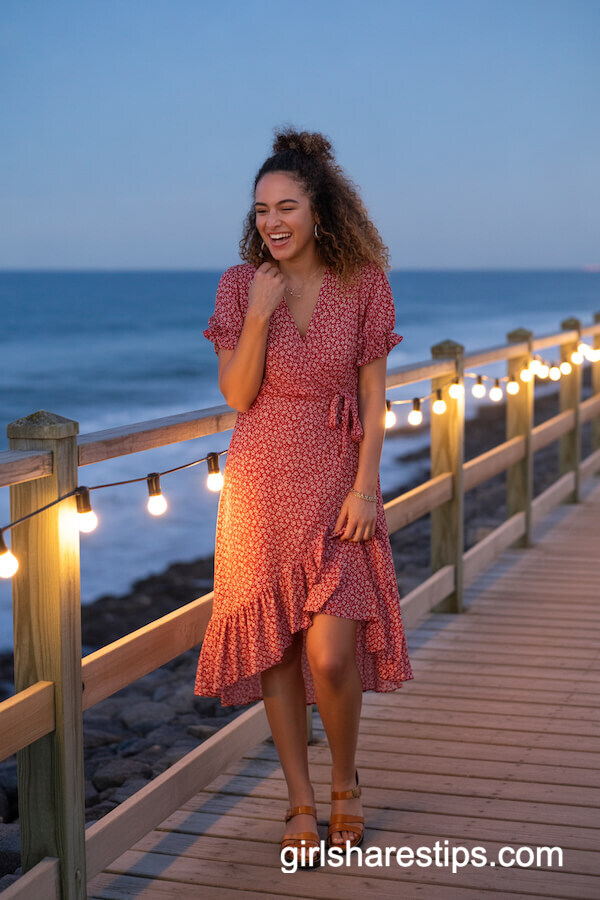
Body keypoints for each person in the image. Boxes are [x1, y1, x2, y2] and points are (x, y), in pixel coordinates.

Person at [195, 127, 413, 867]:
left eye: (287, 206)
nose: (272, 222)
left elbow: (376, 398)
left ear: (321, 211)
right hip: (260, 484)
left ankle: (346, 780)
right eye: (261, 210)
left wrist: (365, 488)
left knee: (328, 654)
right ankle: (299, 800)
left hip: (336, 481)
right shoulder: (238, 284)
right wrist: (257, 311)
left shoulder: (365, 282)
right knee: (277, 654)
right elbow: (237, 393)